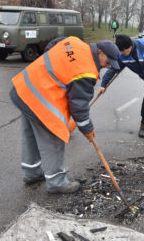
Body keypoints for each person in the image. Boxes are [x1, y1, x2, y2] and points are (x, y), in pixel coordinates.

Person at [10, 36, 120, 194]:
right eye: (107, 62)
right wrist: (88, 130)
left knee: (30, 136)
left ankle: (31, 173)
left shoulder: (74, 42)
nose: (106, 67)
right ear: (100, 52)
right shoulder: (86, 71)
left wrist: (53, 74)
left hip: (25, 88)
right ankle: (56, 183)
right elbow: (79, 108)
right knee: (53, 140)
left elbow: (51, 45)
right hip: (41, 100)